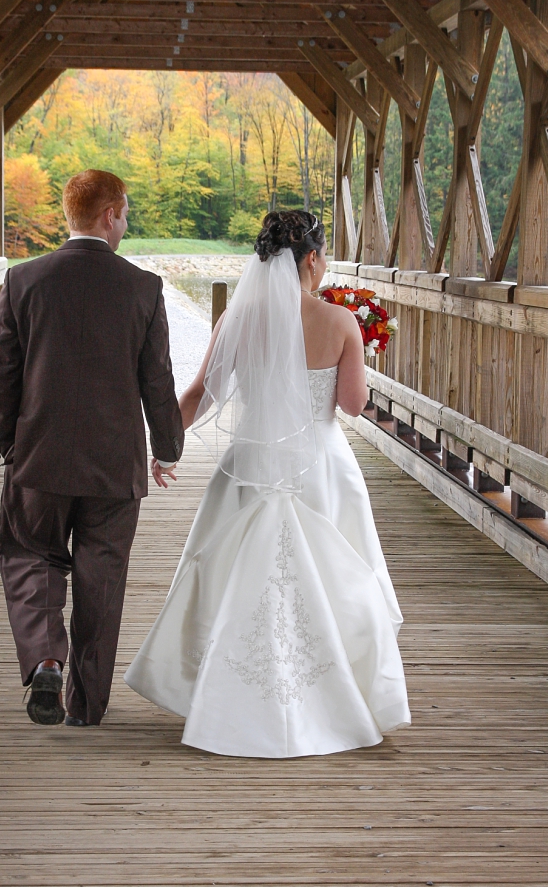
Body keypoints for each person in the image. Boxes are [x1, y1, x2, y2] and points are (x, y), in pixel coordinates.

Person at [125, 210, 411, 758]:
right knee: (337, 583)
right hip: (320, 467)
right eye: (322, 256)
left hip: (252, 464)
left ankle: (225, 699)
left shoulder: (239, 317)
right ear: (311, 258)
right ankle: (333, 699)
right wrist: (356, 354)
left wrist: (159, 445)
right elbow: (352, 406)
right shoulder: (340, 322)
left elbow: (199, 396)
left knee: (232, 577)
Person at [0, 169, 183, 728]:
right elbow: (158, 380)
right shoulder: (142, 287)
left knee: (30, 554)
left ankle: (47, 657)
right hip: (114, 463)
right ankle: (86, 707)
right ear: (110, 214)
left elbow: (3, 371)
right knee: (103, 577)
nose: (126, 223)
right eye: (125, 213)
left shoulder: (23, 281)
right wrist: (167, 448)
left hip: (39, 456)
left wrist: (10, 441)